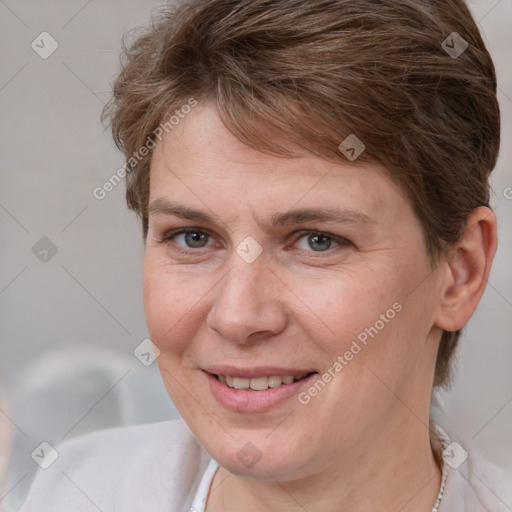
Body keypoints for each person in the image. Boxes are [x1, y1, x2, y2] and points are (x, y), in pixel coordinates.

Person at [20, 0, 510, 510]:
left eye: (317, 240)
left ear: (460, 272)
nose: (237, 317)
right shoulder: (77, 490)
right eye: (193, 237)